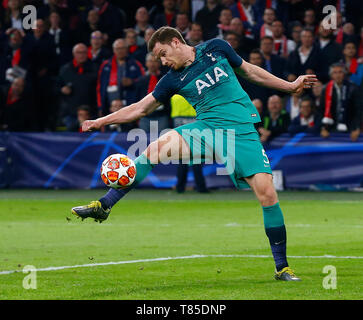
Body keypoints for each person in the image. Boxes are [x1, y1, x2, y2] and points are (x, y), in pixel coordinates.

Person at [72, 26, 317, 281]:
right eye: (159, 59)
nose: (163, 61)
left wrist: (289, 86)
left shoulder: (216, 48)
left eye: (163, 54)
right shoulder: (172, 79)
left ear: (176, 42)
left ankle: (282, 267)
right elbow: (141, 108)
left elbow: (250, 71)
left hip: (240, 130)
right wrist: (101, 120)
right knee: (156, 148)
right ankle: (105, 205)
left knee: (267, 194)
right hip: (206, 128)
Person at [170, 94, 208, 193]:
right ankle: (201, 187)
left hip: (180, 125)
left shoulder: (175, 96)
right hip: (195, 123)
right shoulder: (196, 94)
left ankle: (180, 187)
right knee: (197, 158)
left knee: (183, 159)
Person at [57, 43, 98, 131]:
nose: (81, 55)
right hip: (70, 112)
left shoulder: (95, 68)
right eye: (79, 52)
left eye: (84, 52)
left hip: (90, 112)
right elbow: (56, 86)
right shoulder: (65, 69)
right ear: (74, 54)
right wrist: (62, 89)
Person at [319, 63, 361, 142]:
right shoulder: (326, 89)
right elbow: (322, 110)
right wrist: (323, 128)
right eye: (335, 72)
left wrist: (356, 128)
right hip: (331, 130)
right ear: (331, 75)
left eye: (340, 72)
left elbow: (358, 111)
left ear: (344, 74)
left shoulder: (353, 88)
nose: (338, 75)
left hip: (350, 129)